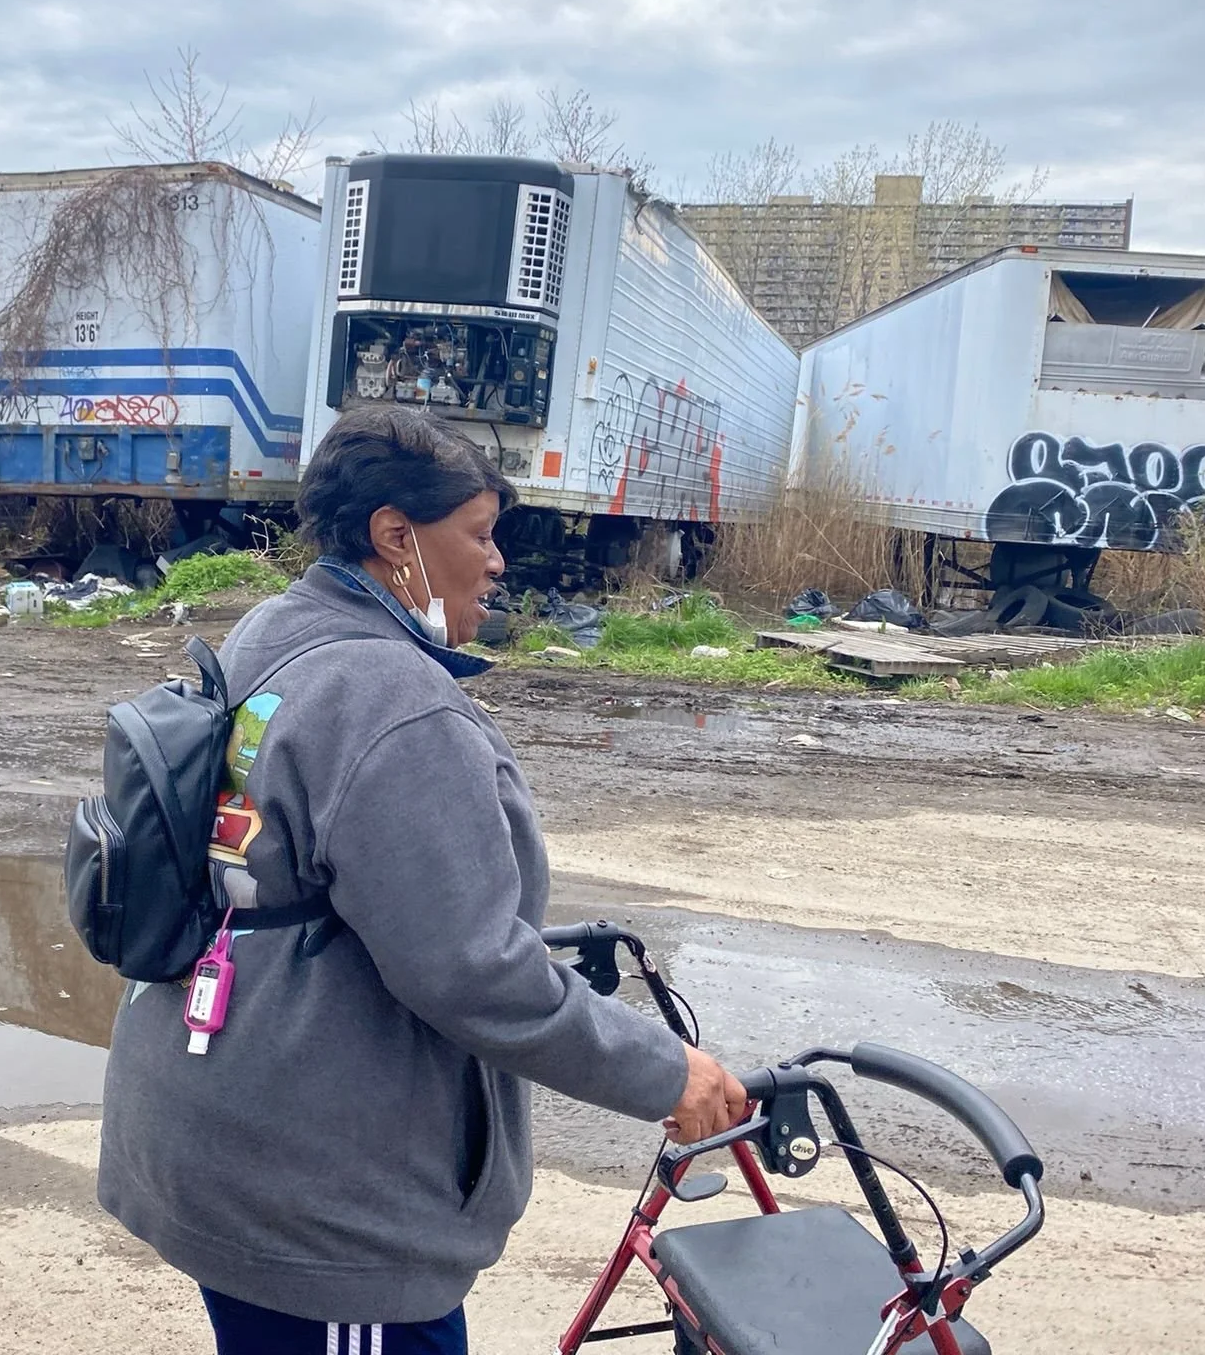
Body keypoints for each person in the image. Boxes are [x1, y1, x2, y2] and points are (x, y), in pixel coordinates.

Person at [97, 406, 749, 1355]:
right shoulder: (395, 701)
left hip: (218, 1119)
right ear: (396, 536)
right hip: (326, 1202)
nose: (497, 562)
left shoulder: (276, 629)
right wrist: (666, 1071)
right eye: (479, 535)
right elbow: (470, 969)